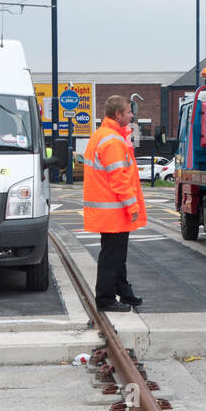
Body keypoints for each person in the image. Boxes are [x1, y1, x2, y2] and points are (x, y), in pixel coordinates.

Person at [83, 95, 146, 312]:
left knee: (116, 254)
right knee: (112, 256)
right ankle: (106, 298)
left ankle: (123, 290)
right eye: (129, 112)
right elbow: (119, 179)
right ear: (118, 114)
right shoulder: (112, 141)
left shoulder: (104, 136)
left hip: (109, 208)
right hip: (114, 209)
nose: (132, 115)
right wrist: (133, 207)